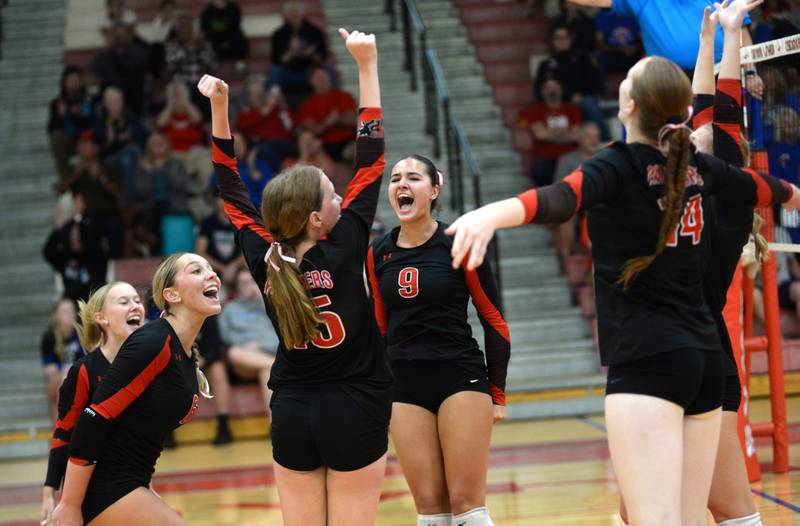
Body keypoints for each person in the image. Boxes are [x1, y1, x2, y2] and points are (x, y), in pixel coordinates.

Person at [445, 53, 800, 525]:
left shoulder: (617, 165)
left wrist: (491, 214)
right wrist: (793, 194)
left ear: (629, 104)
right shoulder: (694, 165)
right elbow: (759, 185)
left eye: (629, 77)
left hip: (646, 359)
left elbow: (561, 198)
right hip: (703, 362)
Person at [200, 27, 392, 525]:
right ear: (316, 219)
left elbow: (229, 185)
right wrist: (367, 67)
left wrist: (220, 110)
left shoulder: (264, 257)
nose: (340, 200)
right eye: (333, 196)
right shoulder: (345, 246)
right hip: (355, 406)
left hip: (292, 414)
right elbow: (370, 159)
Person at [366, 153, 510, 526]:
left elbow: (493, 320)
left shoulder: (460, 242)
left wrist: (497, 393)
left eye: (413, 178)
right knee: (430, 507)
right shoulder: (377, 252)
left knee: (466, 502)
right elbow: (380, 328)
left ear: (433, 189)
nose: (401, 185)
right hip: (404, 383)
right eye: (395, 178)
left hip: (459, 375)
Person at [51, 253, 221, 526]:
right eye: (197, 270)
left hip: (132, 482)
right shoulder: (153, 341)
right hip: (106, 486)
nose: (212, 275)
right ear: (172, 294)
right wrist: (70, 505)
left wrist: (148, 491)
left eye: (211, 269)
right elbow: (92, 420)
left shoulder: (186, 353)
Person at [41, 282, 144, 525]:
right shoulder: (84, 371)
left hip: (132, 478)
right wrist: (49, 491)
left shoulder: (146, 364)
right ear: (101, 318)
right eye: (124, 302)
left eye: (137, 301)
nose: (135, 306)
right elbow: (63, 433)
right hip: (91, 484)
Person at [566, 0, 764, 98]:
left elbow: (741, 33)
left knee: (724, 145)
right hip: (671, 84)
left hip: (723, 77)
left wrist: (751, 71)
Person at [218, 268, 279, 412]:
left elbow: (280, 334)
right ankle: (281, 366)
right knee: (234, 352)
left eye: (252, 282)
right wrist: (246, 345)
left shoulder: (269, 306)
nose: (248, 286)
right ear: (237, 287)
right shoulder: (230, 310)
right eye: (244, 283)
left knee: (266, 371)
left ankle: (274, 428)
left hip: (269, 355)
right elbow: (225, 336)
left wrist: (260, 345)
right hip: (244, 359)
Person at [534, 24, 609, 140]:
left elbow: (596, 83)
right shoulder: (546, 64)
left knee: (588, 103)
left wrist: (581, 95)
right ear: (552, 41)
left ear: (571, 39)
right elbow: (539, 91)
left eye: (564, 37)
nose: (561, 41)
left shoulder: (582, 59)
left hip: (582, 100)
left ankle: (607, 142)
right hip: (557, 103)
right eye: (557, 38)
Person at [43, 193, 110, 302]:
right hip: (73, 302)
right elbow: (48, 252)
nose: (76, 240)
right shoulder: (65, 258)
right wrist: (58, 231)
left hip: (95, 299)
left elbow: (94, 245)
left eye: (79, 238)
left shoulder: (94, 254)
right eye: (73, 239)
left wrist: (77, 219)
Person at [519, 77, 582, 187]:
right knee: (538, 170)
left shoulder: (572, 109)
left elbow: (576, 136)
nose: (552, 90)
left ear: (561, 89)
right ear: (542, 91)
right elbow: (540, 135)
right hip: (546, 159)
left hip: (569, 156)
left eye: (555, 87)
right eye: (548, 88)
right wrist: (565, 134)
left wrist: (551, 134)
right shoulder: (535, 110)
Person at [552, 121, 601, 261]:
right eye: (588, 136)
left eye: (596, 136)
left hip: (601, 201)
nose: (593, 140)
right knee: (566, 215)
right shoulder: (567, 160)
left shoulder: (606, 157)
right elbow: (559, 187)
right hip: (576, 203)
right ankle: (566, 259)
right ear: (579, 138)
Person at [266, 1, 329, 99]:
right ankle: (273, 100)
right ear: (286, 15)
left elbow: (322, 58)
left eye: (296, 12)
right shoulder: (279, 34)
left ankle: (332, 99)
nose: (294, 15)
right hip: (287, 72)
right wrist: (291, 51)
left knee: (327, 70)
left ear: (302, 13)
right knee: (275, 71)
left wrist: (311, 53)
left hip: (308, 72)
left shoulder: (314, 32)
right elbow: (276, 61)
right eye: (291, 13)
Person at [40, 299, 86, 422]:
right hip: (55, 381)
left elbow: (88, 361)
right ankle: (64, 424)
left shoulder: (81, 334)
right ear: (55, 316)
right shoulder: (49, 337)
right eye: (65, 311)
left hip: (78, 377)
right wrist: (68, 370)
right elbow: (49, 370)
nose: (69, 314)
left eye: (71, 311)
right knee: (65, 377)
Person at [298, 66, 357, 162]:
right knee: (306, 139)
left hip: (346, 142)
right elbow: (312, 130)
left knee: (360, 149)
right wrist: (327, 123)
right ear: (311, 82)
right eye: (318, 77)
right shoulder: (307, 104)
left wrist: (337, 119)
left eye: (324, 76)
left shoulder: (344, 96)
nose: (322, 79)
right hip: (323, 144)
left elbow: (352, 120)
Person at [48, 66, 95, 182]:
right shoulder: (57, 103)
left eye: (76, 80)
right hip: (68, 139)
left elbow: (94, 123)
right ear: (64, 83)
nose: (74, 84)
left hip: (87, 138)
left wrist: (81, 115)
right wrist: (61, 116)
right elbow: (51, 127)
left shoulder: (89, 100)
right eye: (71, 81)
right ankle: (65, 179)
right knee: (57, 137)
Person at [196, 191, 246, 286]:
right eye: (222, 199)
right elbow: (200, 253)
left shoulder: (240, 222)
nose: (225, 202)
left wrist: (234, 266)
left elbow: (247, 252)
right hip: (212, 271)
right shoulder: (208, 223)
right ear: (215, 200)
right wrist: (223, 269)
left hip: (237, 271)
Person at [200, 0, 249, 65]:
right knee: (206, 43)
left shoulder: (233, 8)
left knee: (239, 38)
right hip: (215, 43)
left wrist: (226, 41)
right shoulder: (207, 12)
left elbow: (235, 26)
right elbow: (205, 30)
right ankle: (213, 63)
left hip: (232, 42)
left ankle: (239, 62)